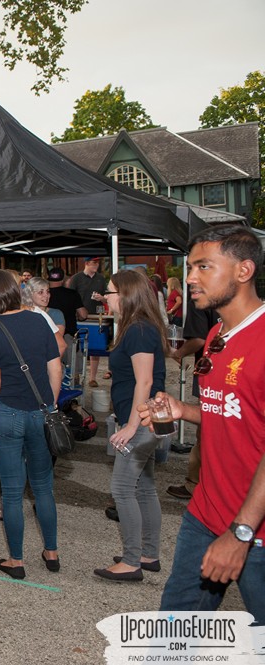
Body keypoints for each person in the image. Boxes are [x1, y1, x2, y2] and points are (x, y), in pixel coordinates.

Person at [138, 225, 265, 623]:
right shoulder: (215, 333)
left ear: (244, 271)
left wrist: (242, 532)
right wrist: (182, 409)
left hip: (255, 531)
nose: (190, 278)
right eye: (190, 267)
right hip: (206, 513)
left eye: (204, 267)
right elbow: (232, 409)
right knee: (174, 635)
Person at [0, 270, 62, 579]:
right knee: (43, 488)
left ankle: (17, 561)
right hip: (40, 413)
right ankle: (51, 553)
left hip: (6, 416)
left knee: (11, 493)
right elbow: (55, 368)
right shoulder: (39, 321)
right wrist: (50, 405)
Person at [94, 270, 166, 582]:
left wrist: (131, 425)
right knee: (144, 487)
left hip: (142, 421)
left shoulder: (137, 329)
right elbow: (139, 374)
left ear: (125, 294)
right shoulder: (137, 328)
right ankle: (148, 554)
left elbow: (146, 380)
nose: (105, 298)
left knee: (122, 489)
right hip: (148, 420)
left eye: (109, 292)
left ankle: (132, 561)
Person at [165, 297, 217, 499]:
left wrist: (178, 352)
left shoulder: (202, 299)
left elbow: (199, 339)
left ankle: (195, 484)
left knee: (206, 431)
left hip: (209, 369)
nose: (191, 277)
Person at [68, 256, 107, 387]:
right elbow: (71, 295)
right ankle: (77, 375)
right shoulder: (77, 278)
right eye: (94, 263)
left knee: (95, 347)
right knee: (78, 346)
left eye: (97, 263)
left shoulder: (101, 278)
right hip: (78, 316)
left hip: (96, 316)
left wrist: (102, 298)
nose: (96, 265)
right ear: (86, 263)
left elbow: (106, 297)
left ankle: (92, 377)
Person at [45, 267, 85, 363]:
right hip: (68, 336)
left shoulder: (42, 295)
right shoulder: (72, 294)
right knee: (72, 371)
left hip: (46, 338)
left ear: (48, 279)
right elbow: (83, 315)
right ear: (63, 280)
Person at [24, 276, 68, 358]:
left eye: (48, 292)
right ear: (30, 294)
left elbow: (58, 344)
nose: (46, 296)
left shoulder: (55, 314)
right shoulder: (22, 313)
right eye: (41, 292)